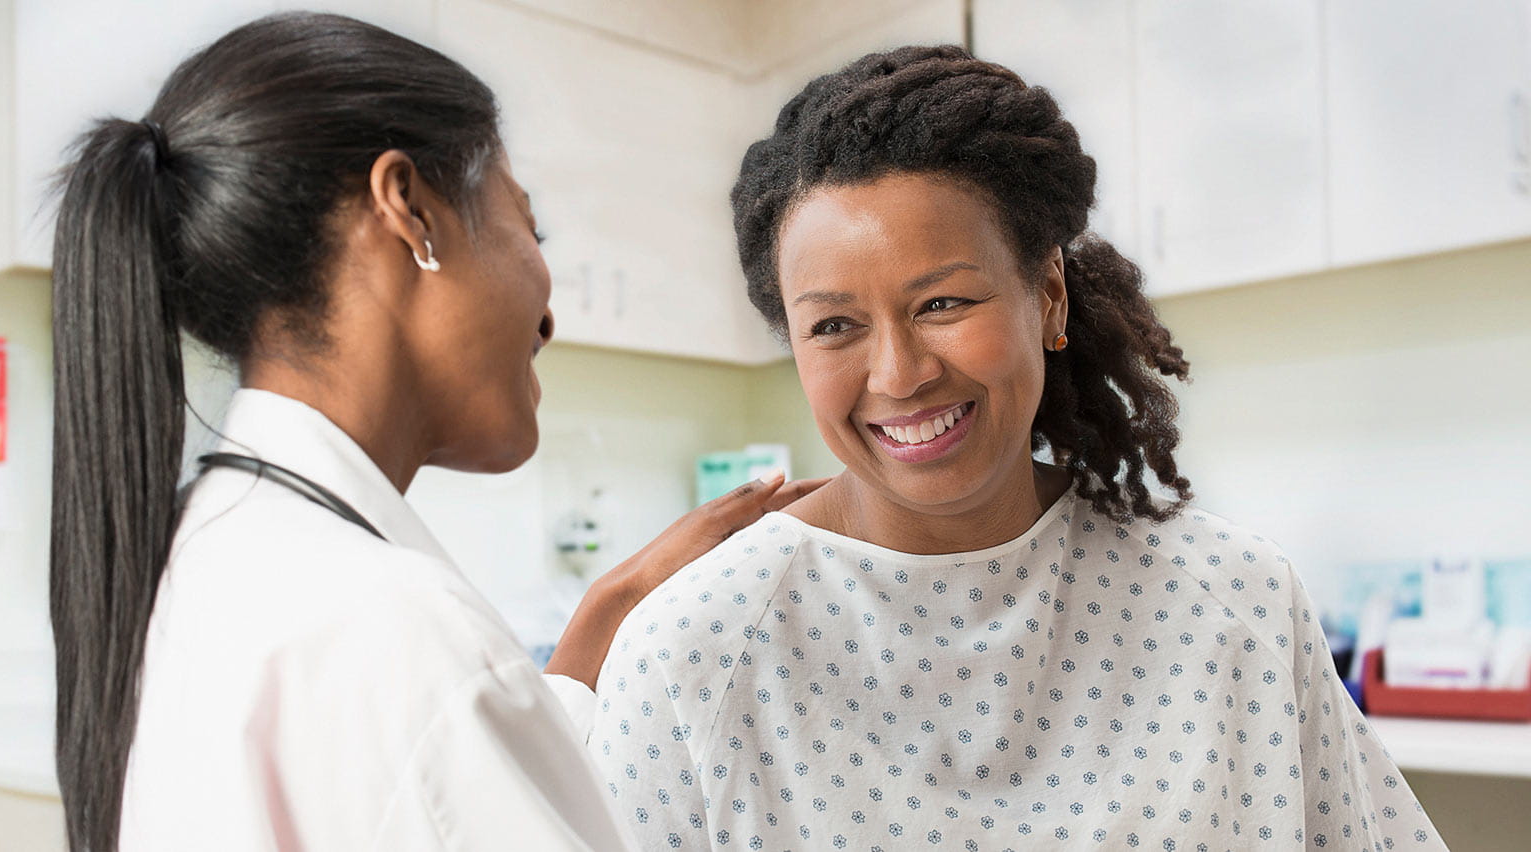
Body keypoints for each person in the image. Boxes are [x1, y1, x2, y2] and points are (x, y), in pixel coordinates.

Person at [587, 46, 1445, 850]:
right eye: (835, 325)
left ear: (1048, 296)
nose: (898, 373)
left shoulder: (1232, 602)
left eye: (943, 304)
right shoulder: (691, 653)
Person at [47, 13, 821, 852]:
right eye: (531, 226)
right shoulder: (394, 633)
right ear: (408, 209)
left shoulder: (210, 555)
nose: (548, 314)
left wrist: (609, 614)